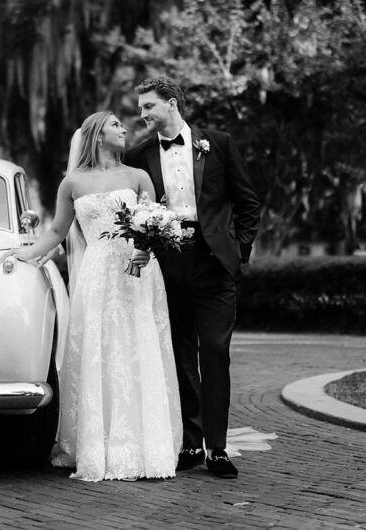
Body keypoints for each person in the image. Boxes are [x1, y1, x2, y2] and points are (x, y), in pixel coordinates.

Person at [0, 111, 182, 482]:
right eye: (115, 124)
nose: (124, 128)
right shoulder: (72, 182)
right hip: (97, 273)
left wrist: (145, 249)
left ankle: (147, 445)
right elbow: (57, 230)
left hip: (136, 270)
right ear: (98, 134)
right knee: (101, 350)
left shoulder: (137, 176)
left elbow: (154, 222)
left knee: (137, 347)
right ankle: (98, 445)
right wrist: (25, 255)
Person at [125, 77, 261, 479]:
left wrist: (238, 251)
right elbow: (135, 209)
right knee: (180, 352)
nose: (142, 113)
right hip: (169, 263)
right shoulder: (139, 155)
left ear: (171, 103)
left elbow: (247, 202)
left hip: (214, 262)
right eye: (141, 107)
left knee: (215, 350)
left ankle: (217, 448)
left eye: (149, 105)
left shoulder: (218, 143)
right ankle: (190, 441)